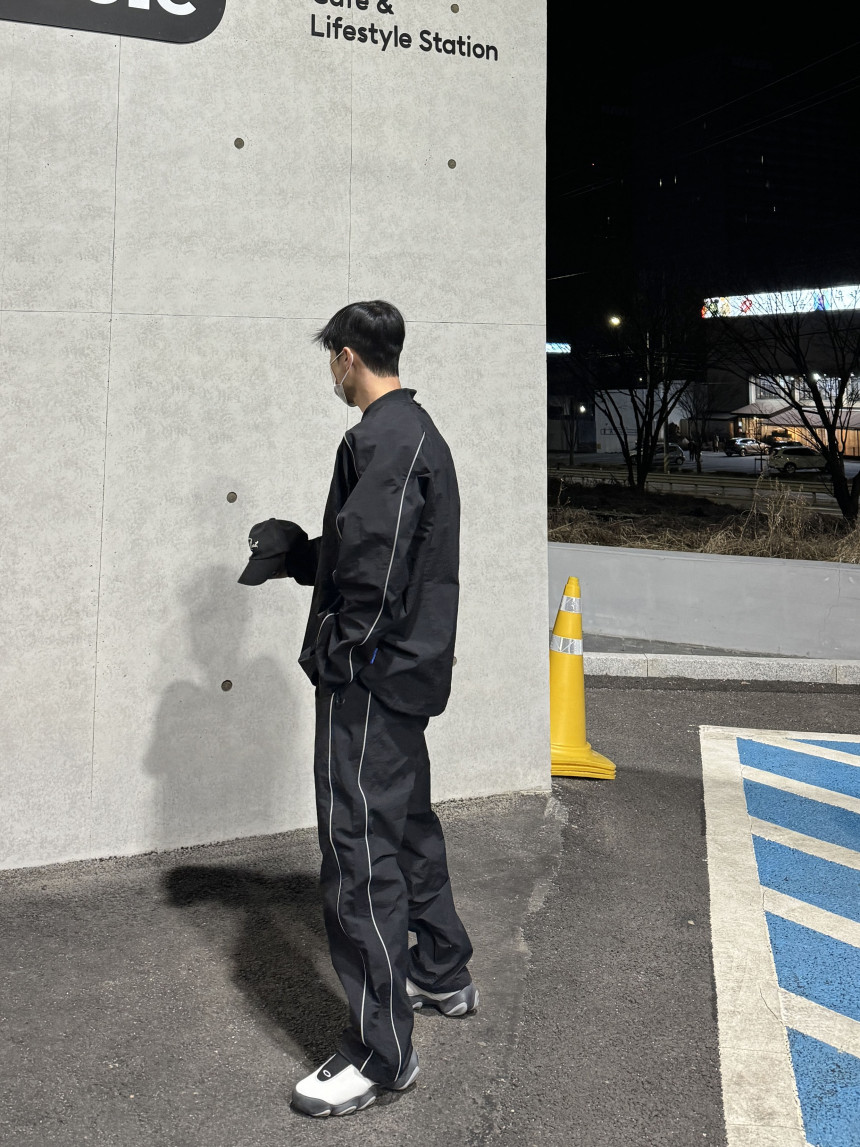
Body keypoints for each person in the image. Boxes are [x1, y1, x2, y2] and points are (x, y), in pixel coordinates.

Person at [237, 300, 477, 1119]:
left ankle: (382, 1051)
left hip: (371, 685)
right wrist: (300, 558)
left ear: (347, 357)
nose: (332, 375)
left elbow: (375, 574)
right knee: (405, 825)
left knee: (358, 853)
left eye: (331, 361)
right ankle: (442, 969)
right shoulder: (414, 434)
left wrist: (340, 657)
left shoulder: (383, 439)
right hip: (403, 678)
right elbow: (369, 549)